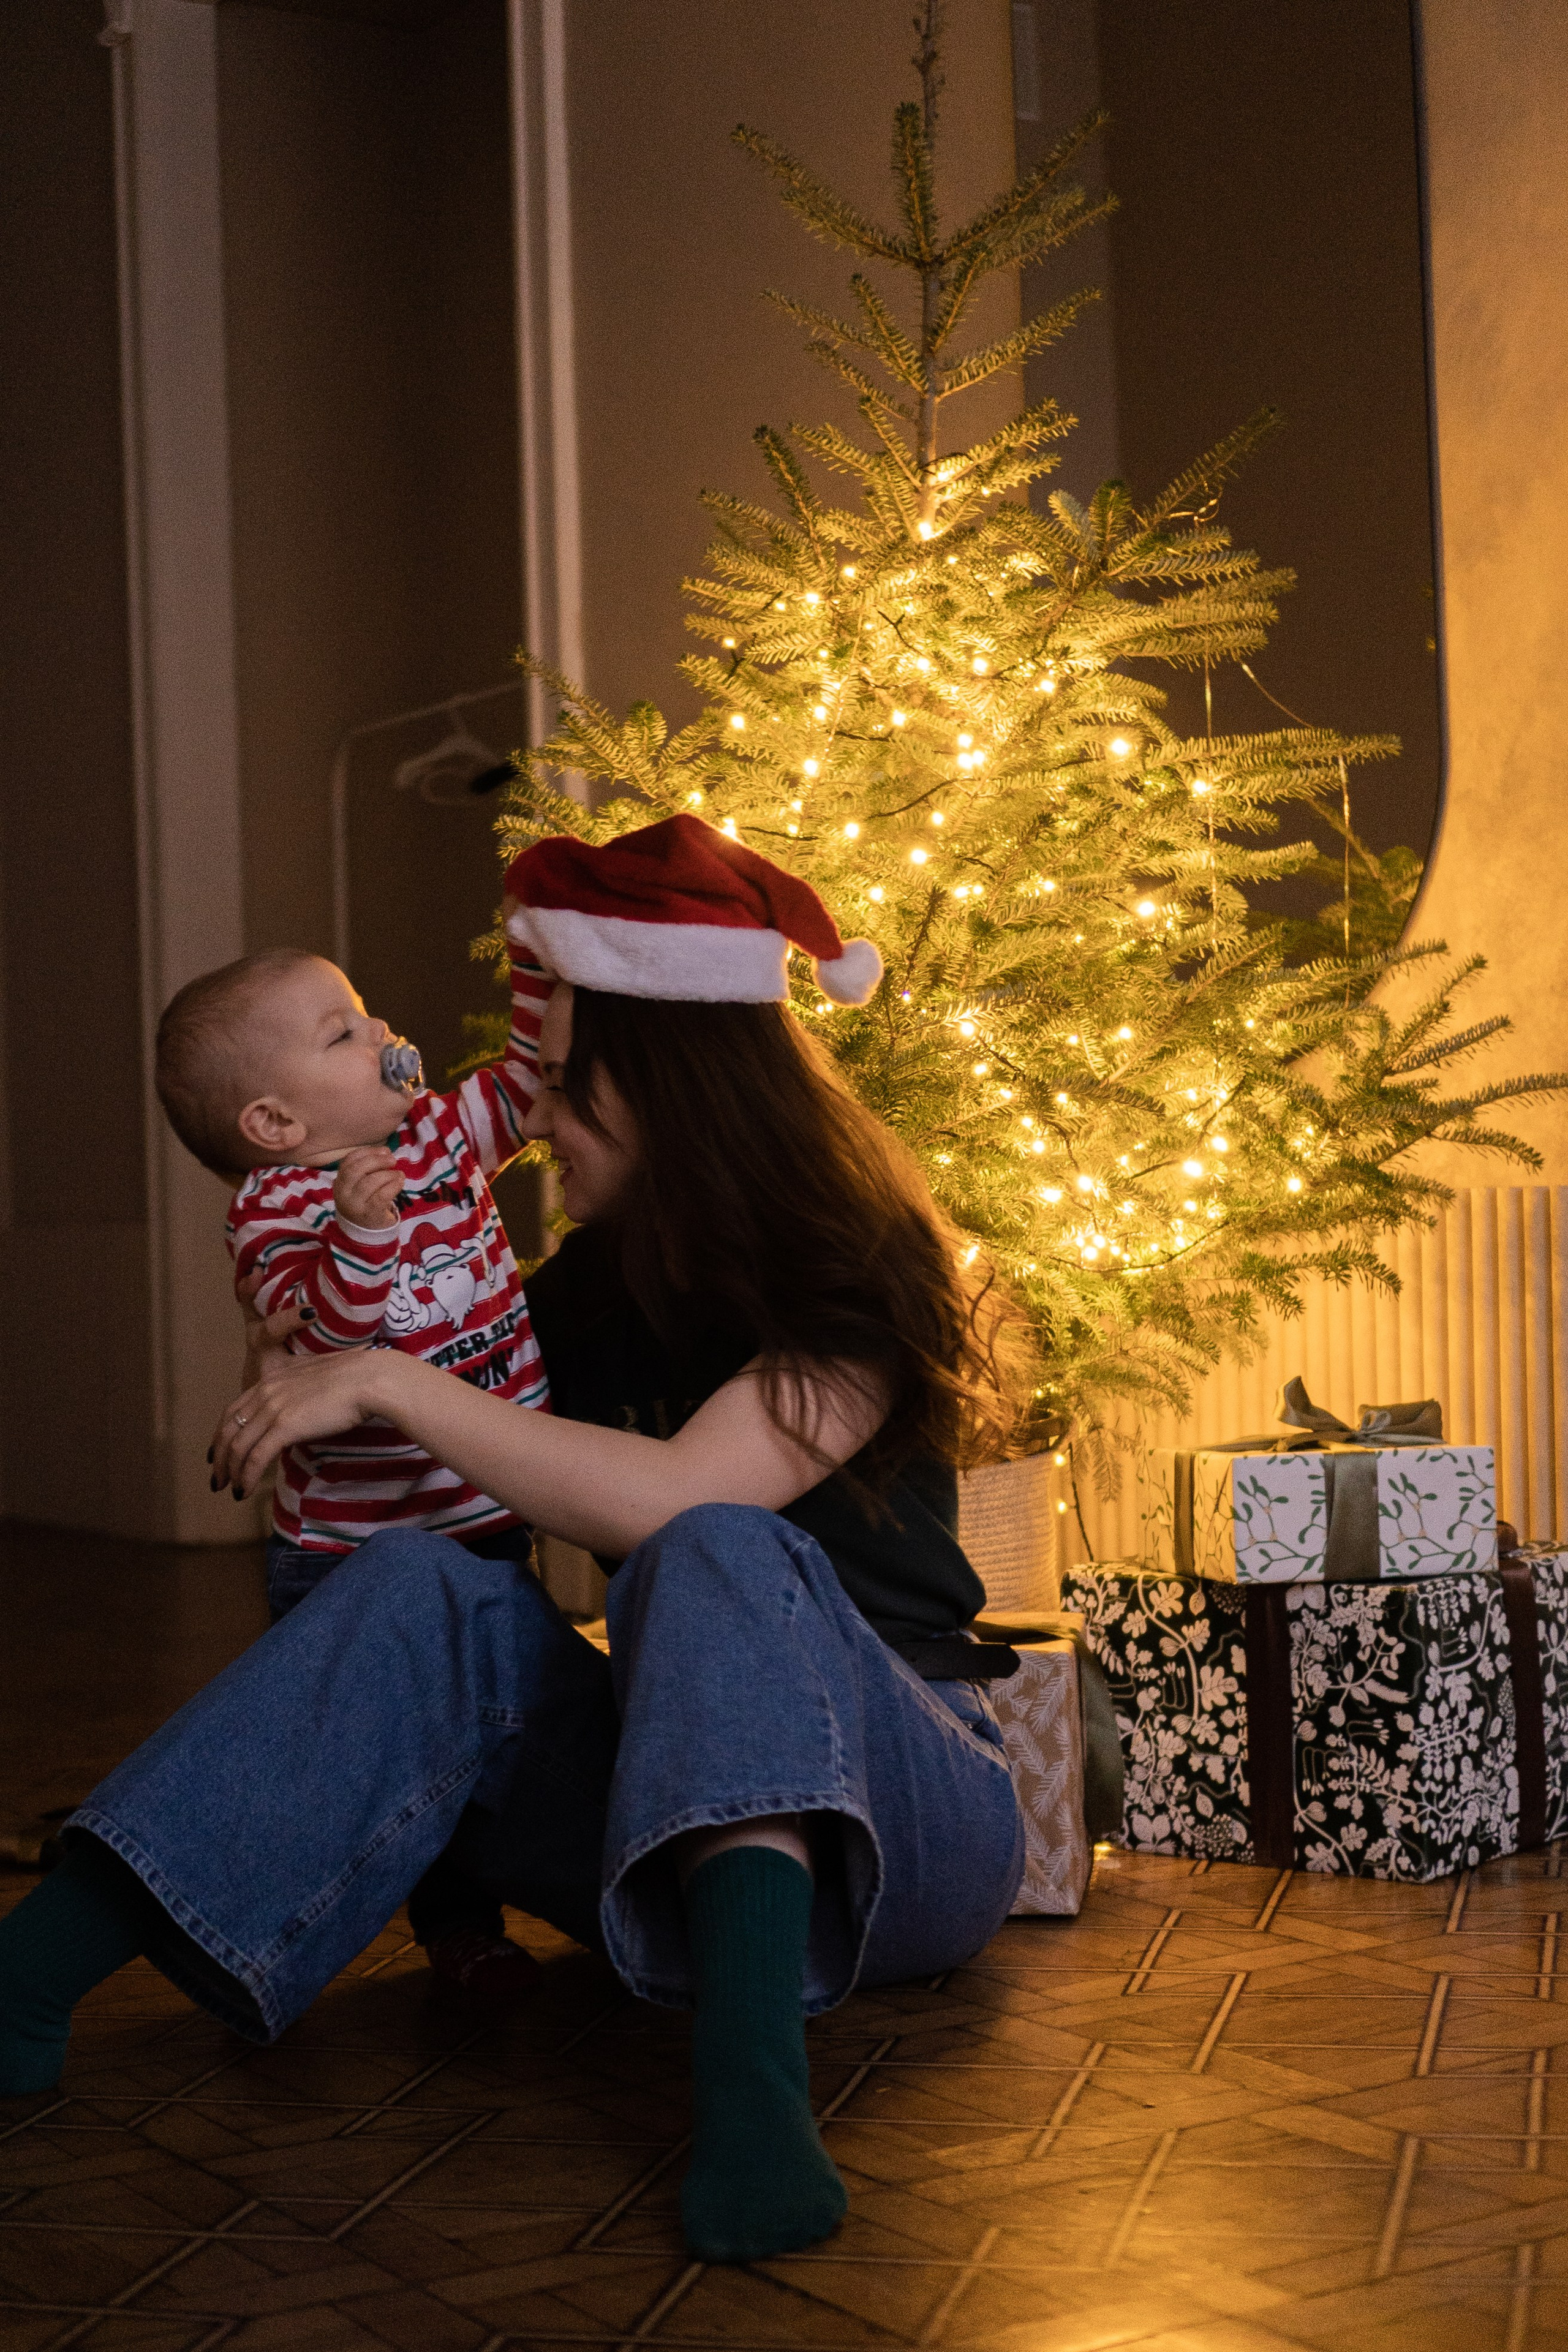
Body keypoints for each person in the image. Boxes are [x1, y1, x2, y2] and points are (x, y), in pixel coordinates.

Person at [0, 815, 1027, 2266]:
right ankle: (30, 1980)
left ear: (657, 1089)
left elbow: (679, 1496)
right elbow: (406, 1397)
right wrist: (307, 1353)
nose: (531, 1122)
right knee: (419, 1575)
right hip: (662, 1815)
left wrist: (386, 1381)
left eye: (563, 1093)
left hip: (909, 1824)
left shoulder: (859, 1263)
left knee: (712, 1548)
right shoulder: (597, 1279)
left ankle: (748, 2097)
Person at [153, 933, 555, 2001]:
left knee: (476, 1730)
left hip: (481, 1509)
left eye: (366, 1011)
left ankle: (472, 1903)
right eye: (344, 1033)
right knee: (379, 1750)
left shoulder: (434, 1131)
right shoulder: (273, 1212)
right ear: (276, 1126)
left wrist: (543, 960)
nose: (383, 1035)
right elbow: (332, 1340)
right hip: (351, 1553)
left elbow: (520, 1089)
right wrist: (361, 1233)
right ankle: (422, 1921)